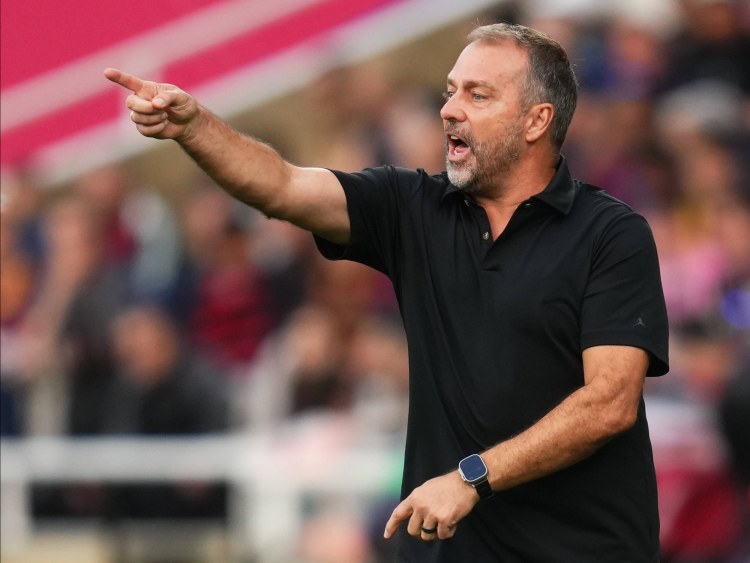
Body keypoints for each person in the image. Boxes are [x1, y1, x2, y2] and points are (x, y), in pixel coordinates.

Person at [105, 22, 669, 562]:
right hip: (449, 551)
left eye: (477, 95)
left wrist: (473, 478)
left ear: (536, 120)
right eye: (450, 91)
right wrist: (195, 127)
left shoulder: (610, 234)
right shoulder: (413, 209)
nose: (449, 109)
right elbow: (280, 185)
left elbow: (610, 403)